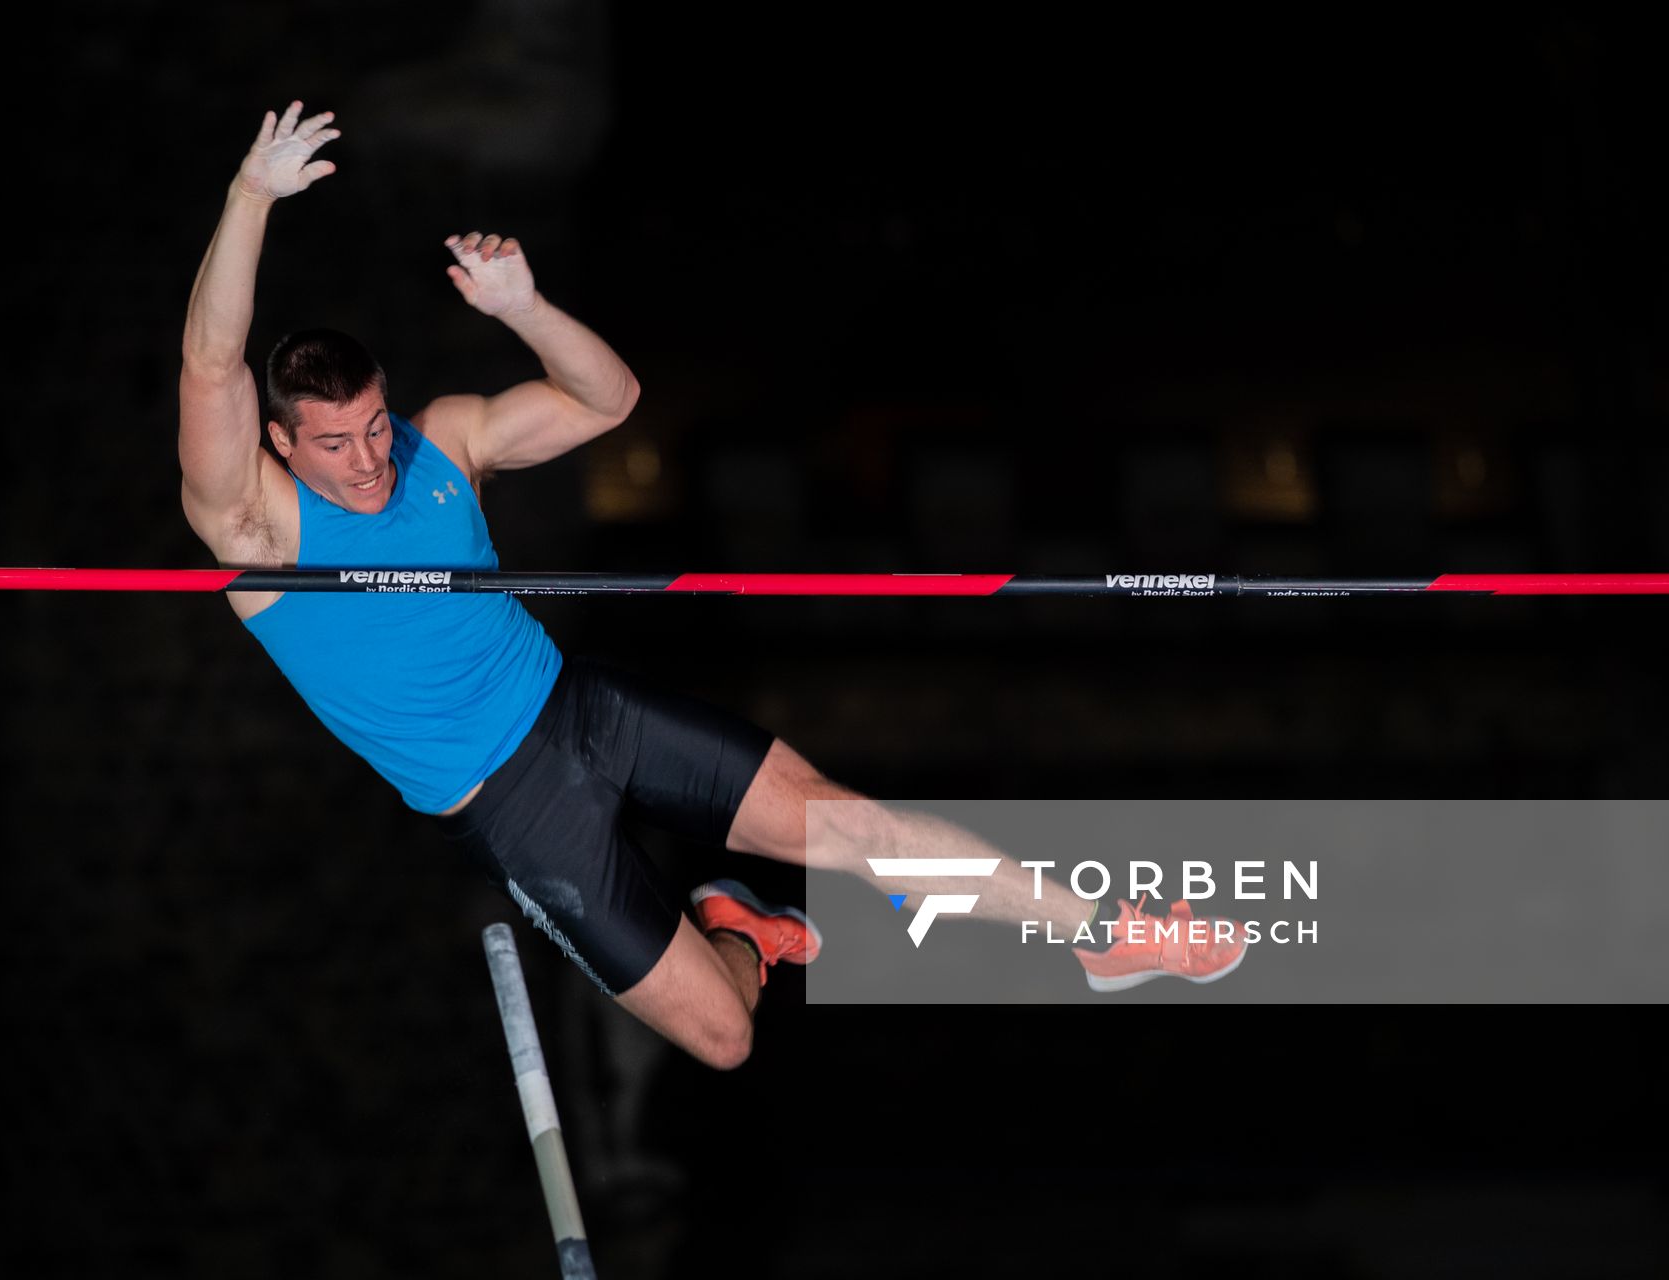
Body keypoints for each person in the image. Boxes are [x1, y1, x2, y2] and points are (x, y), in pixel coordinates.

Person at [177, 102, 1246, 1068]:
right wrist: (250, 196)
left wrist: (528, 307)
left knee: (851, 825)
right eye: (334, 444)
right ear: (279, 442)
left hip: (586, 708)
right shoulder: (255, 527)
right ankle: (732, 923)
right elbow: (210, 366)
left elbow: (610, 399)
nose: (367, 460)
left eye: (372, 426)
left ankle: (1108, 935)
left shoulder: (440, 444)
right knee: (726, 1038)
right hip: (514, 810)